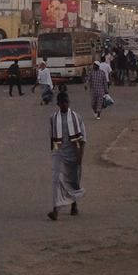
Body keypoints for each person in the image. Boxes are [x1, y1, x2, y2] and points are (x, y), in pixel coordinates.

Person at [47, 91, 86, 221]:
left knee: (73, 181)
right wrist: (53, 151)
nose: (64, 105)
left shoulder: (77, 117)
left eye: (66, 102)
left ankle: (74, 204)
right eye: (62, 103)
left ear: (68, 103)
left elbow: (83, 139)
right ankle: (55, 209)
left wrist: (80, 155)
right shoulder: (53, 118)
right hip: (59, 153)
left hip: (73, 153)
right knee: (57, 180)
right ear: (58, 104)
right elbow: (52, 137)